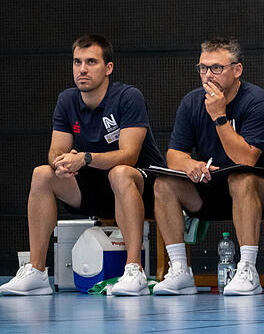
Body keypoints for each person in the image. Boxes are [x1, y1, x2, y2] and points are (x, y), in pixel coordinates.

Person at [1, 35, 162, 297]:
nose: (82, 69)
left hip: (140, 186)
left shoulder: (128, 97)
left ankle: (135, 270)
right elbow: (57, 149)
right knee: (42, 173)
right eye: (77, 62)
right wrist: (60, 162)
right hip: (94, 188)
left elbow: (130, 155)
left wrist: (86, 158)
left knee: (120, 173)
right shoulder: (67, 99)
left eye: (91, 62)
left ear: (108, 68)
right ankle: (37, 272)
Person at [152, 37, 264, 296]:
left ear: (237, 70)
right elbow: (174, 154)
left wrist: (219, 117)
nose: (208, 75)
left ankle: (247, 269)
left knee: (241, 178)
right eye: (203, 68)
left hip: (259, 192)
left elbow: (247, 159)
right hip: (210, 187)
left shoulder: (257, 101)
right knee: (164, 183)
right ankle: (180, 270)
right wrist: (190, 165)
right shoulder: (191, 101)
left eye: (217, 68)